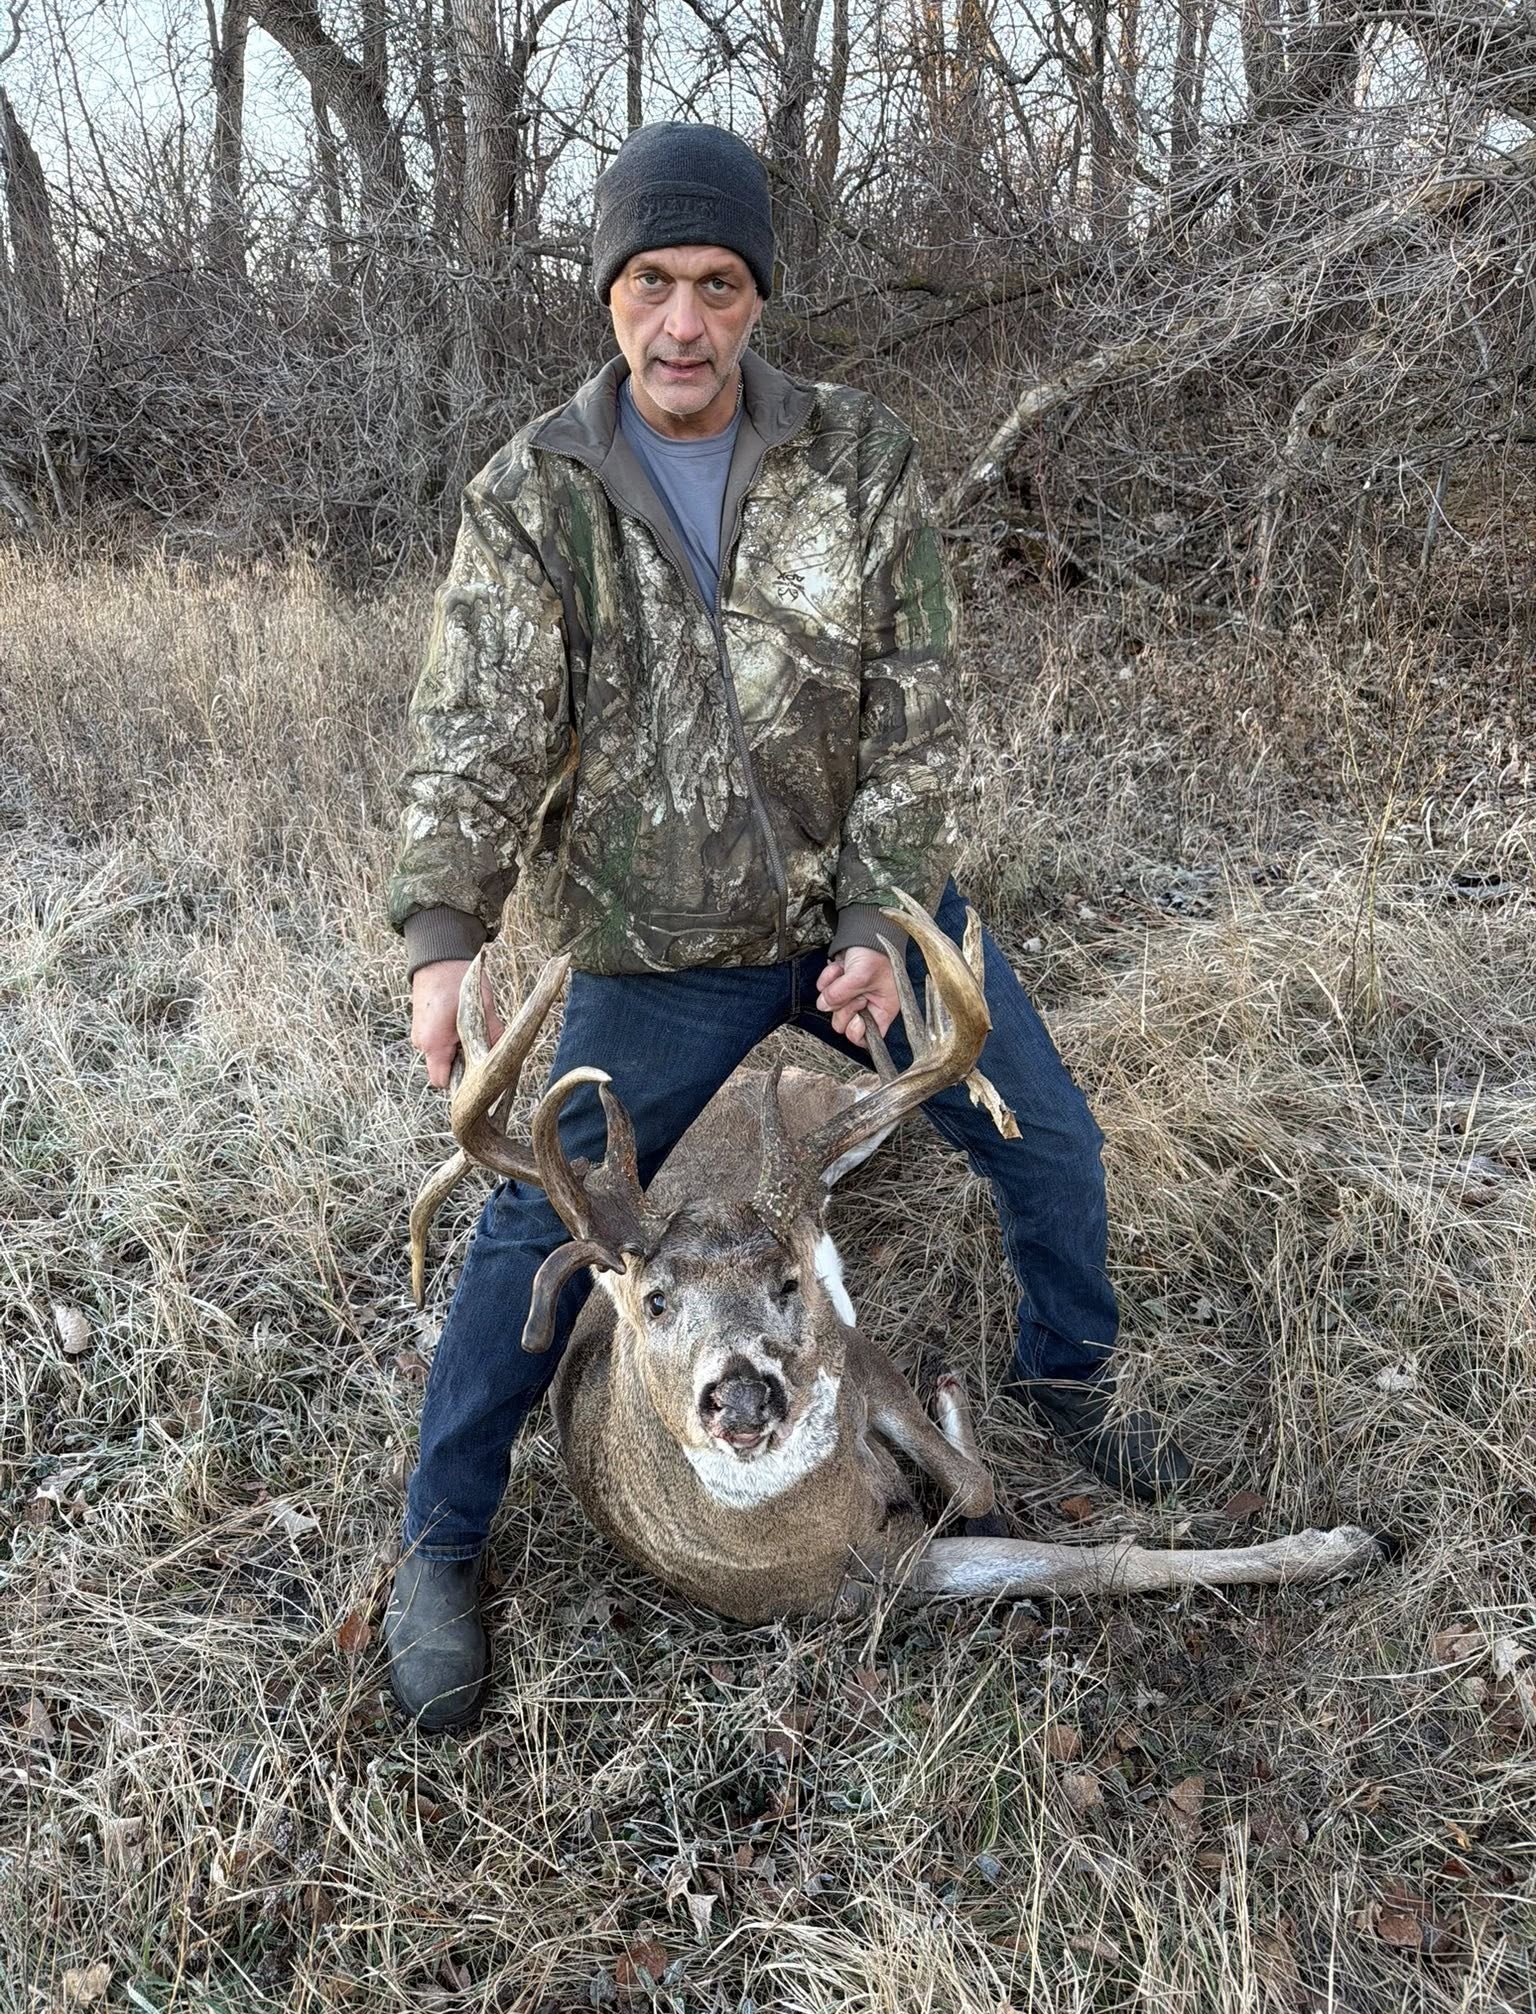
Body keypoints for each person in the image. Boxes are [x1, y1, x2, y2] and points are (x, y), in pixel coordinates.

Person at [383, 122, 1190, 1730]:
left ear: (759, 299)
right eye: (653, 284)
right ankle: (439, 1547)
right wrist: (443, 935)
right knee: (536, 1232)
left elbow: (923, 718)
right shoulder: (536, 494)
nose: (683, 324)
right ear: (610, 293)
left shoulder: (865, 460)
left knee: (1046, 1146)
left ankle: (1065, 1381)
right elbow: (472, 730)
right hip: (651, 943)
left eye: (720, 286)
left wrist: (890, 919)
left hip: (854, 924)